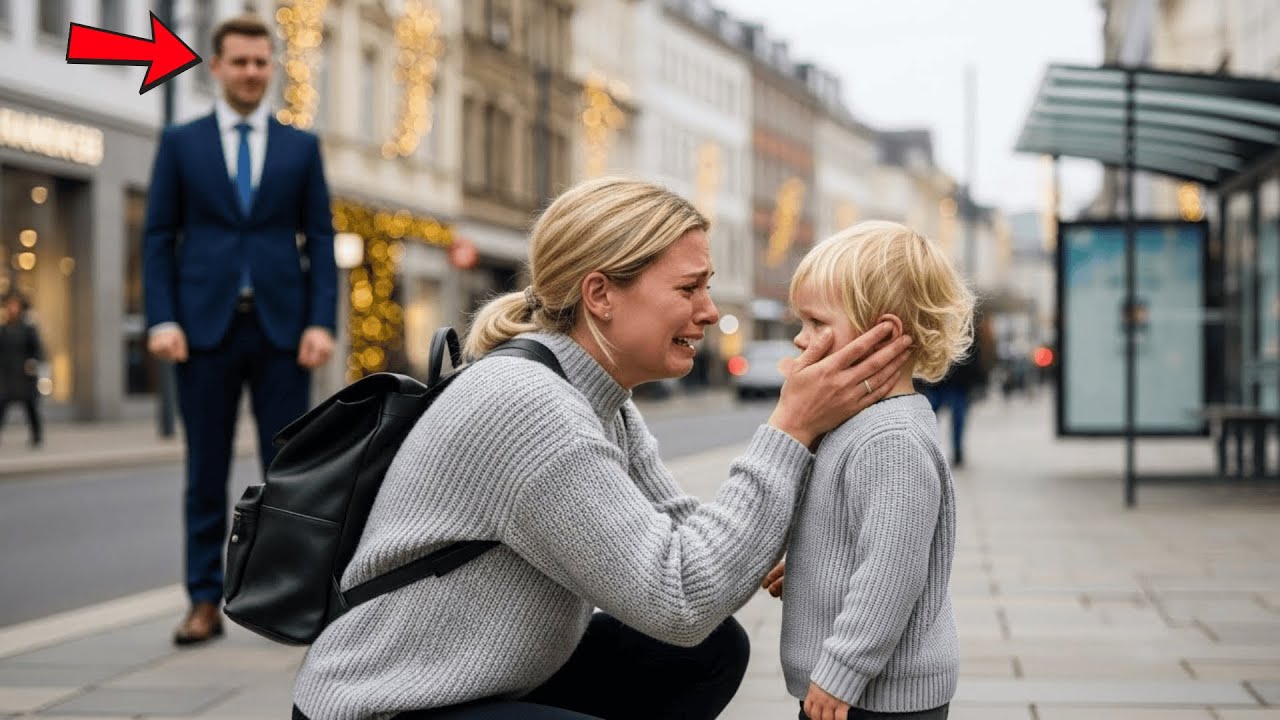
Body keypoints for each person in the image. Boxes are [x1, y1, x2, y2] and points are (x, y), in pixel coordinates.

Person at [291, 178, 915, 720]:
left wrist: (789, 539)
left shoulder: (597, 394)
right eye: (689, 288)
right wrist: (791, 427)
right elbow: (680, 600)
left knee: (711, 652)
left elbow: (683, 536)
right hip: (385, 707)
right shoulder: (530, 407)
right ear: (600, 295)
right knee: (694, 634)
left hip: (487, 681)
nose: (707, 311)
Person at [142, 13, 337, 646]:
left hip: (284, 334)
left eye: (261, 62)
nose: (252, 73)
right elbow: (157, 238)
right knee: (205, 471)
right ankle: (203, 600)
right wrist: (163, 317)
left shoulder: (301, 147)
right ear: (218, 66)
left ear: (271, 68)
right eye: (240, 62)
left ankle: (289, 600)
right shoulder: (180, 143)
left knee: (290, 474)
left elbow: (321, 240)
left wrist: (320, 321)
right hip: (202, 333)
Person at [761, 220, 972, 720]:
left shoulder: (890, 441)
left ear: (882, 336)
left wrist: (841, 673)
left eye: (815, 323)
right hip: (858, 693)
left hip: (875, 698)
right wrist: (816, 565)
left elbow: (890, 574)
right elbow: (869, 539)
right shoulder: (860, 424)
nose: (798, 338)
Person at [919, 314, 993, 467]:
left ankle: (953, 453)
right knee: (935, 418)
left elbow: (975, 356)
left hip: (953, 382)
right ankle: (933, 451)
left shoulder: (966, 326)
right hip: (941, 381)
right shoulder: (945, 323)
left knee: (948, 418)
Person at [0, 292, 44, 448]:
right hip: (7, 375)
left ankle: (37, 436)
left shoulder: (28, 329)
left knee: (30, 407)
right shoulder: (4, 329)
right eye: (10, 305)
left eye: (15, 305)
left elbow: (38, 350)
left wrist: (33, 362)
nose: (12, 308)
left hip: (25, 375)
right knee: (2, 406)